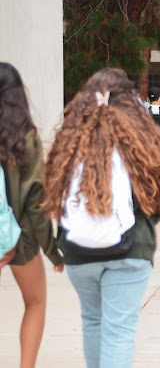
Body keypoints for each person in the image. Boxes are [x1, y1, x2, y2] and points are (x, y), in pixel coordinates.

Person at [43, 68, 160, 367]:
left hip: (78, 249)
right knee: (118, 333)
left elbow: (55, 191)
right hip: (130, 251)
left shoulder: (70, 140)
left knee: (92, 321)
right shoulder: (140, 140)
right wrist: (142, 225)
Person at [0, 62, 64, 368]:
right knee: (35, 303)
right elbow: (37, 204)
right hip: (19, 238)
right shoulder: (25, 138)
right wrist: (54, 251)